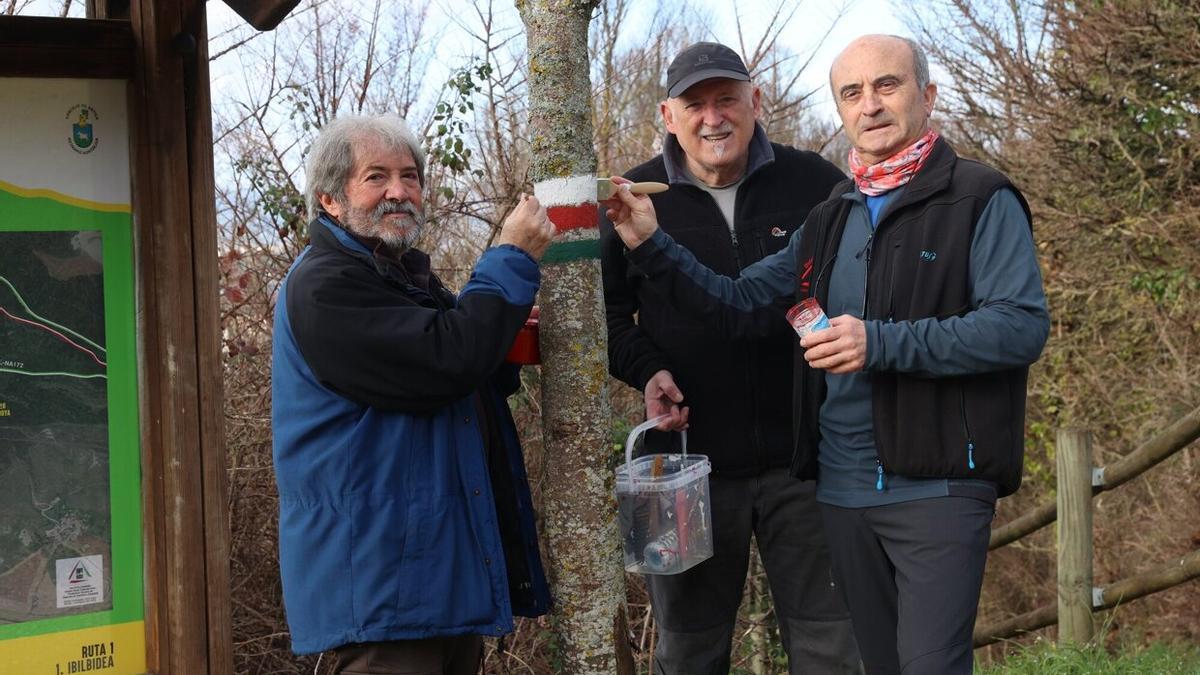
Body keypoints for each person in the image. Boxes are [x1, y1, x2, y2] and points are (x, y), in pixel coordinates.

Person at [603, 34, 1050, 674]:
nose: (869, 106)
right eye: (852, 93)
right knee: (856, 660)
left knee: (908, 661)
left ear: (927, 96)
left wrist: (878, 341)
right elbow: (739, 301)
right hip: (828, 486)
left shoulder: (974, 196)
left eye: (887, 86)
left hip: (920, 480)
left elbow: (1019, 327)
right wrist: (650, 244)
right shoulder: (834, 212)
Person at [600, 42, 860, 674]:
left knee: (833, 644)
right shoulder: (630, 204)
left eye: (726, 100)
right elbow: (605, 319)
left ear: (755, 102)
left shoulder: (816, 184)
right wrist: (647, 367)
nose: (712, 117)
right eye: (695, 104)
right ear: (668, 114)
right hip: (686, 467)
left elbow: (855, 288)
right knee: (689, 648)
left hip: (809, 463)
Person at [271, 113, 555, 674]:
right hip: (384, 593)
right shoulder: (326, 285)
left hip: (434, 583)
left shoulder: (399, 278)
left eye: (410, 176)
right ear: (330, 200)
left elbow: (468, 371)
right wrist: (511, 259)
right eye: (376, 176)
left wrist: (505, 333)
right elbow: (446, 360)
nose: (399, 192)